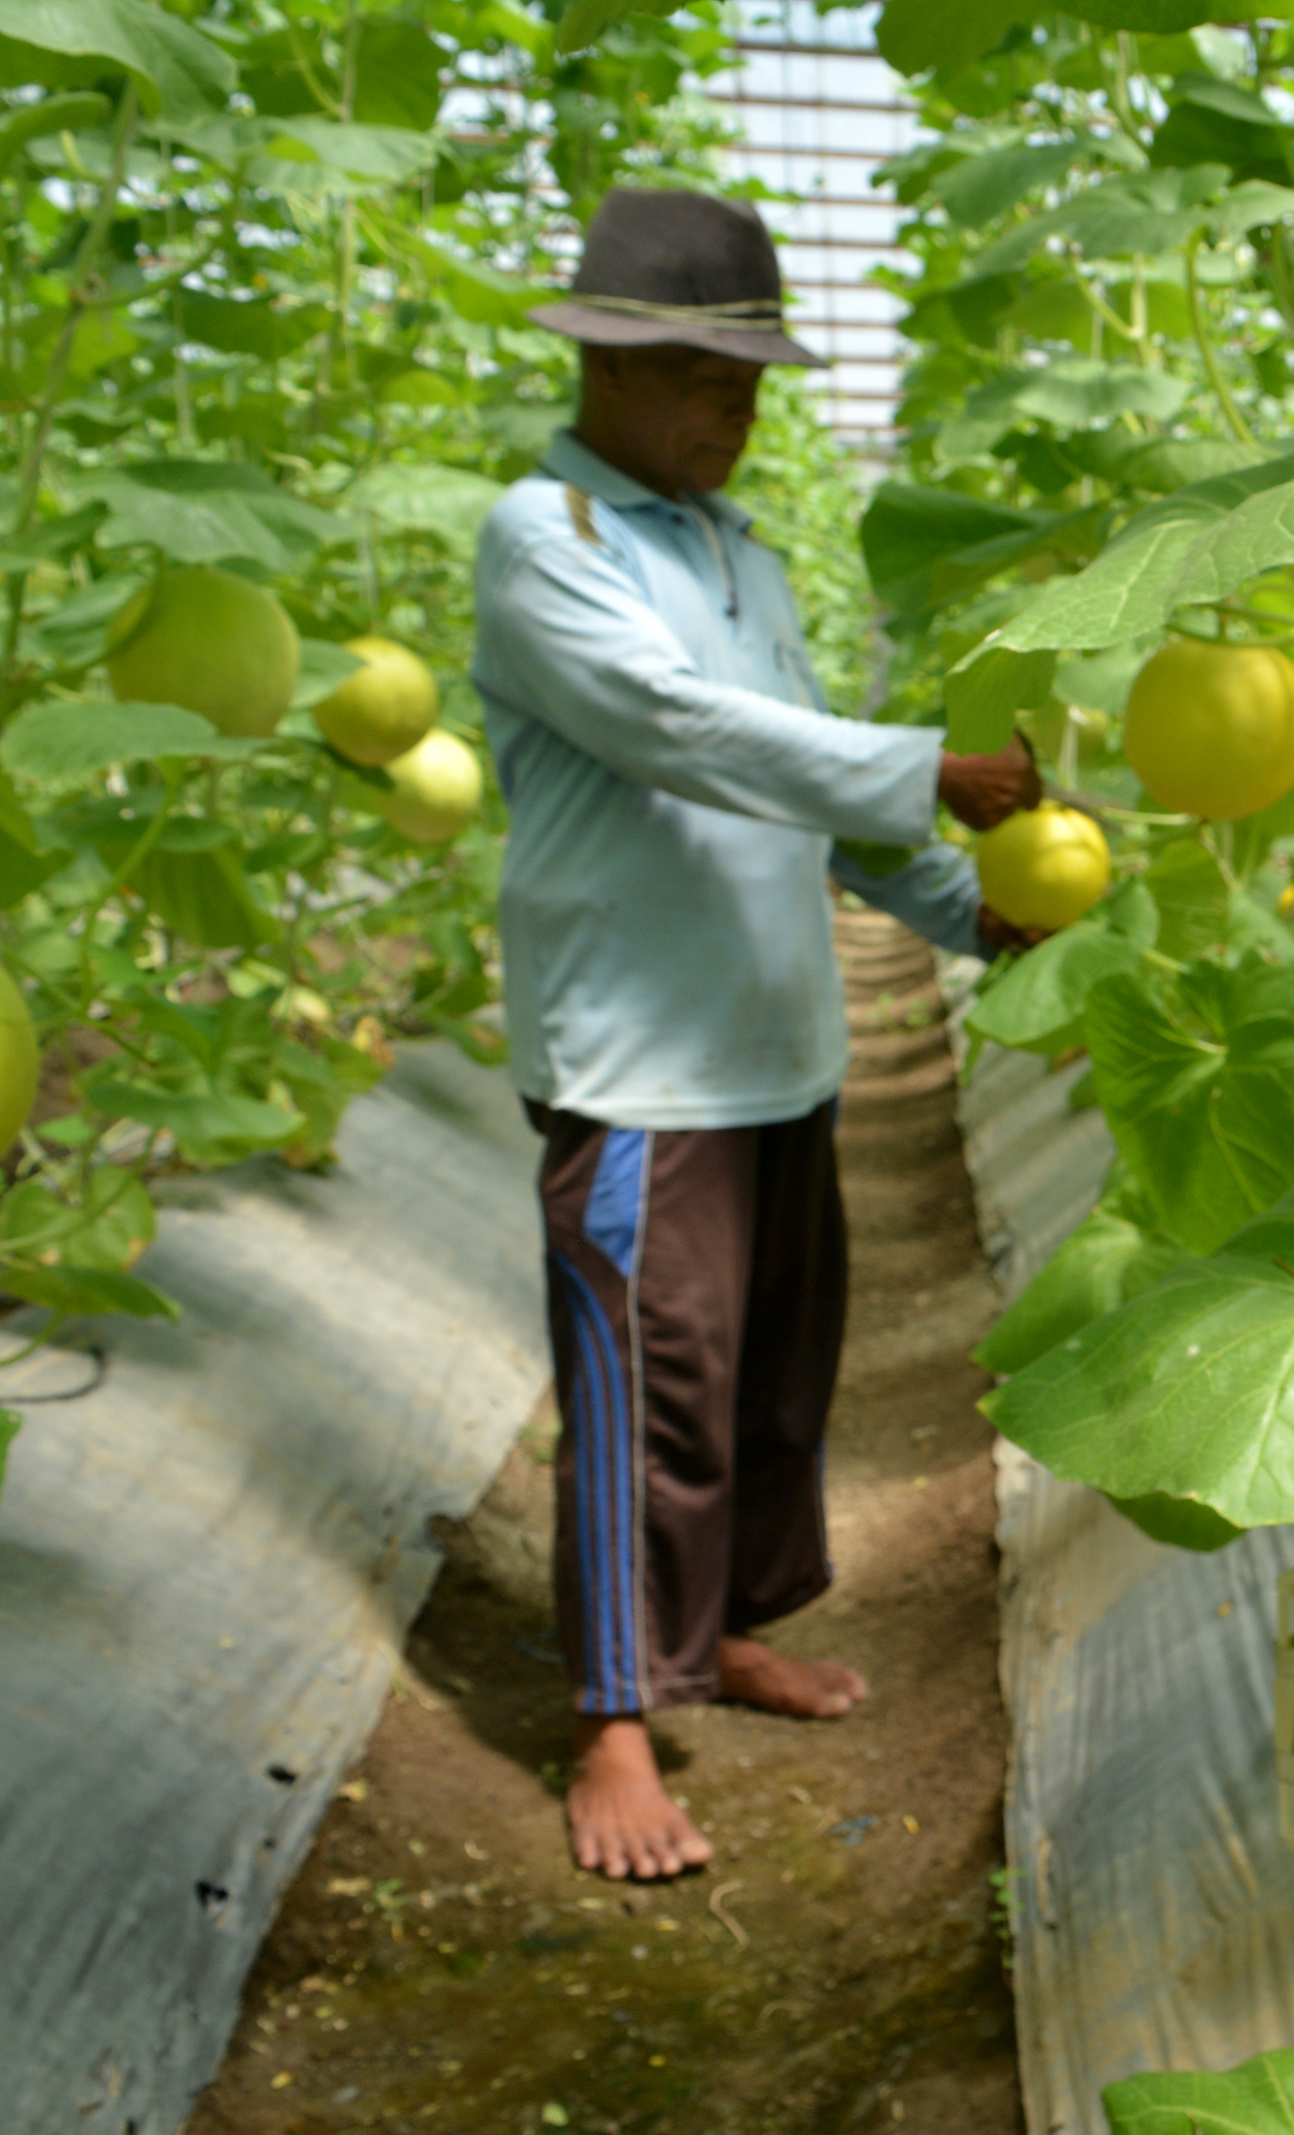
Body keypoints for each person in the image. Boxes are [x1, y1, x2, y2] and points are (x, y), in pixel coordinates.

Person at [470, 188, 1037, 1881]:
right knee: (652, 1388)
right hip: (642, 1063)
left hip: (779, 1044)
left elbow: (817, 798)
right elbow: (671, 729)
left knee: (777, 1376)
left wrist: (970, 909)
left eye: (754, 380)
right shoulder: (544, 538)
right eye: (709, 376)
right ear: (617, 362)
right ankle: (614, 1721)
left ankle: (722, 1636)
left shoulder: (744, 558)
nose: (739, 406)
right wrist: (921, 760)